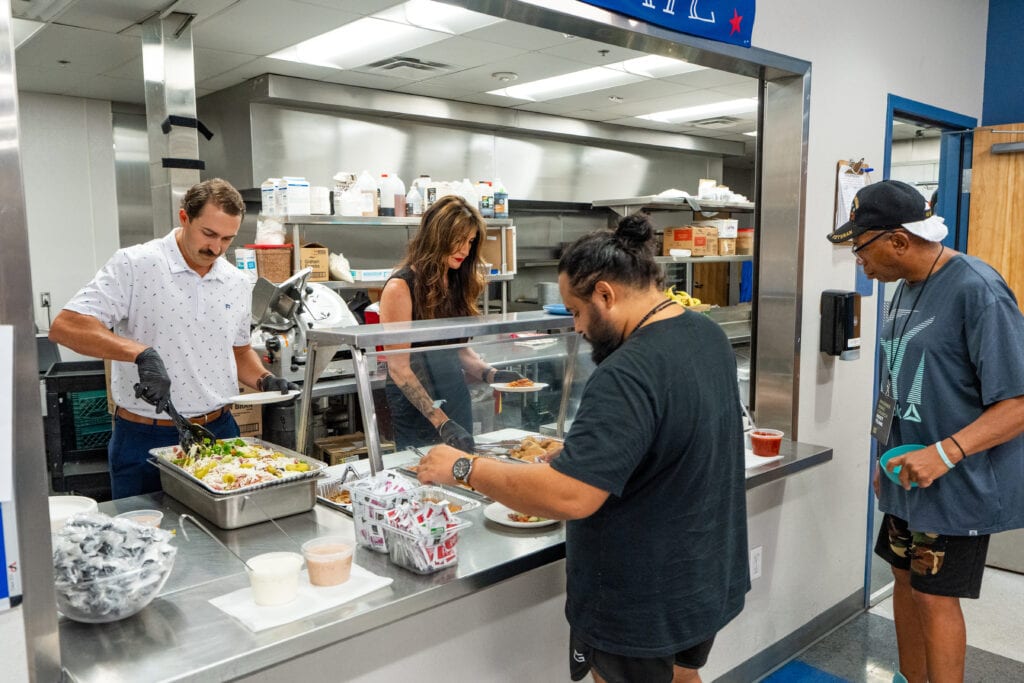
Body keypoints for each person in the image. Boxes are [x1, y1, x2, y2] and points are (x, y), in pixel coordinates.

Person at [417, 213, 749, 683]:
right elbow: (674, 442)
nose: (576, 328)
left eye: (575, 311)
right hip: (701, 574)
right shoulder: (706, 334)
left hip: (640, 594)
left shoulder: (628, 369)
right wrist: (584, 457)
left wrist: (464, 467)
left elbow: (570, 496)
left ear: (606, 295)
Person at [826, 179, 1024, 683]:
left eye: (861, 247)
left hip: (954, 479)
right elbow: (902, 382)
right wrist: (886, 454)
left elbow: (1018, 402)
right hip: (906, 475)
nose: (859, 261)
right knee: (904, 584)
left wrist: (946, 452)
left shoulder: (976, 290)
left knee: (935, 598)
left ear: (898, 240)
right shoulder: (903, 290)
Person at [49, 178, 296, 498]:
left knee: (223, 540)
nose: (216, 248)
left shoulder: (237, 281)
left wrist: (264, 380)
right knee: (144, 535)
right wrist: (141, 354)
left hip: (219, 432)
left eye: (227, 239)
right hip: (144, 437)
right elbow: (67, 326)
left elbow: (238, 352)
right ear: (184, 218)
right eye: (208, 234)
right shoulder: (135, 265)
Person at [379, 194, 522, 452]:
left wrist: (491, 374)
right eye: (458, 240)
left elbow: (456, 348)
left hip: (454, 394)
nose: (465, 251)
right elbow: (398, 368)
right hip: (417, 408)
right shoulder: (400, 287)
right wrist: (441, 422)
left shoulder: (456, 281)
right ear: (437, 236)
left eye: (469, 241)